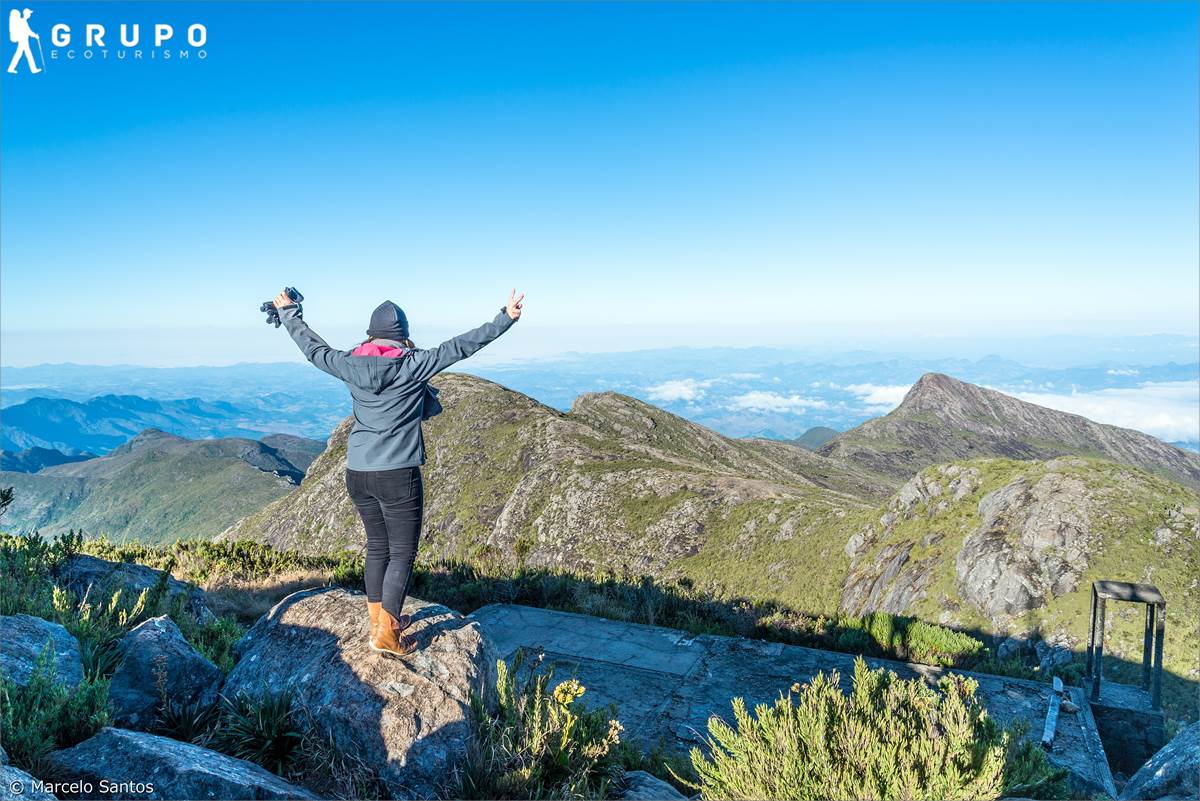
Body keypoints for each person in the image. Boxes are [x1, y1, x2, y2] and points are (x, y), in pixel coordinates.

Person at [273, 288, 524, 656]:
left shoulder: (348, 362)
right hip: (397, 473)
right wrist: (506, 317)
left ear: (371, 335)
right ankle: (386, 634)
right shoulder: (413, 363)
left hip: (357, 472)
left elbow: (313, 348)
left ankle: (380, 620)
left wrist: (289, 313)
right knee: (402, 552)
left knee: (377, 546)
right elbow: (460, 346)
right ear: (402, 334)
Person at [7, 8, 41, 75]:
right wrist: (35, 36)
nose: (30, 15)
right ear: (26, 14)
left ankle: (10, 68)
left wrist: (34, 35)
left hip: (23, 40)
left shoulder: (23, 21)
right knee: (28, 54)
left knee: (19, 54)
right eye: (29, 14)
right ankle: (33, 69)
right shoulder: (22, 21)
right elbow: (28, 31)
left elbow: (28, 31)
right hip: (23, 40)